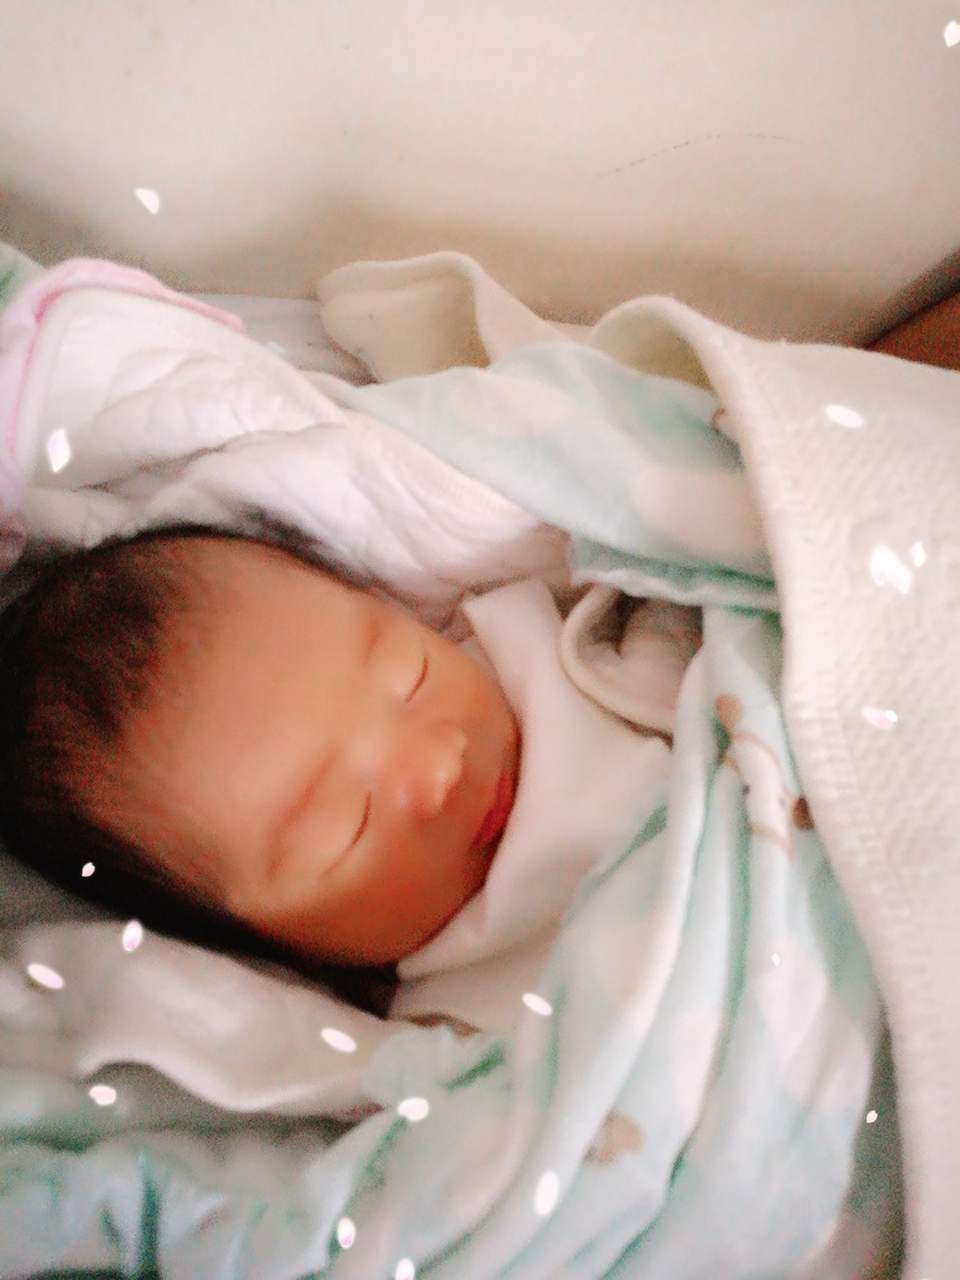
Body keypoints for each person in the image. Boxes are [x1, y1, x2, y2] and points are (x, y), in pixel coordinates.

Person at [0, 511, 520, 1015]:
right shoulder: (465, 1024)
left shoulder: (532, 637)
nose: (442, 766)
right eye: (347, 828)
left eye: (410, 673)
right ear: (284, 953)